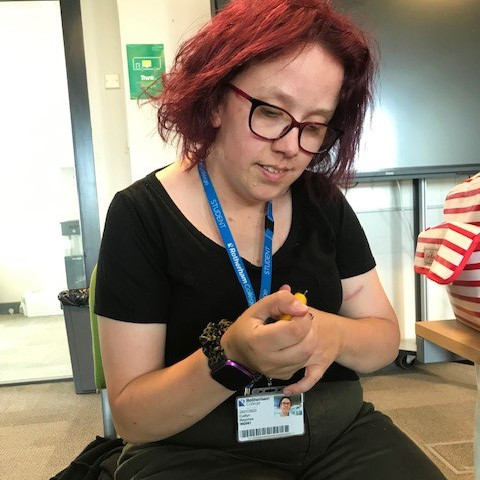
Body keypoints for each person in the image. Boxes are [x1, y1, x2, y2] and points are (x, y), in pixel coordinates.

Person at [94, 0, 446, 478]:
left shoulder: (322, 203)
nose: (289, 146)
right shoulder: (141, 215)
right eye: (271, 112)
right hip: (192, 446)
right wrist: (231, 358)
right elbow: (134, 416)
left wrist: (331, 333)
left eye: (314, 126)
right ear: (215, 98)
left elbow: (383, 337)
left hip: (335, 432)